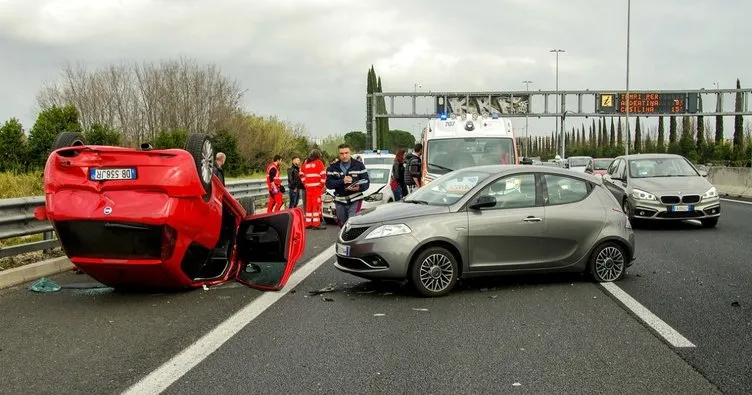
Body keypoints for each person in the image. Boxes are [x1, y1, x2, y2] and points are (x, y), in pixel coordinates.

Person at [326, 143, 369, 227]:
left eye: (346, 153)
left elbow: (366, 182)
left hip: (355, 199)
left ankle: (353, 240)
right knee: (342, 225)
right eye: (342, 153)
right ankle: (344, 239)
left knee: (352, 223)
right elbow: (329, 184)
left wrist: (358, 187)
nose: (344, 156)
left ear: (350, 153)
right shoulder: (333, 167)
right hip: (340, 200)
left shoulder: (359, 165)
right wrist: (342, 181)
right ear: (339, 154)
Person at [300, 149, 327, 229]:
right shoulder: (319, 163)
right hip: (316, 188)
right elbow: (323, 174)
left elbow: (301, 174)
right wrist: (321, 184)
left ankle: (308, 223)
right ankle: (316, 224)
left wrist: (305, 183)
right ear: (318, 155)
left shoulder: (306, 164)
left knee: (309, 206)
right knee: (316, 205)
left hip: (309, 188)